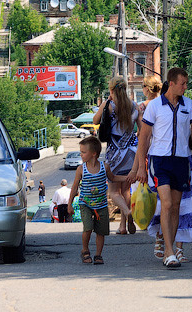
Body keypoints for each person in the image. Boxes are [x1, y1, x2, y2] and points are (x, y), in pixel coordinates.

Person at [133, 68, 192, 269]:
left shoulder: (188, 105)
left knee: (175, 206)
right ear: (171, 83)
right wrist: (141, 165)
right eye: (182, 83)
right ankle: (169, 251)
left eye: (186, 83)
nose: (185, 87)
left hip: (182, 161)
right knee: (166, 204)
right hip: (160, 160)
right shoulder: (155, 106)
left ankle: (170, 247)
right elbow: (144, 137)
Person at [69, 136, 117, 264]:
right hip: (85, 204)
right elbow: (74, 188)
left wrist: (129, 177)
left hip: (101, 205)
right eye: (81, 151)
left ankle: (98, 255)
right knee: (88, 228)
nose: (81, 154)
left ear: (94, 153)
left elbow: (114, 178)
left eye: (84, 152)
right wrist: (70, 205)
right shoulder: (81, 169)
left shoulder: (104, 167)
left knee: (101, 232)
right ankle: (85, 250)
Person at [102, 76, 140, 235]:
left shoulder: (109, 105)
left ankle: (127, 212)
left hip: (114, 153)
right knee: (126, 191)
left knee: (114, 192)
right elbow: (143, 128)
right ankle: (122, 226)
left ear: (111, 90)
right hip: (131, 152)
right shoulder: (134, 106)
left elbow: (96, 120)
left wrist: (106, 103)